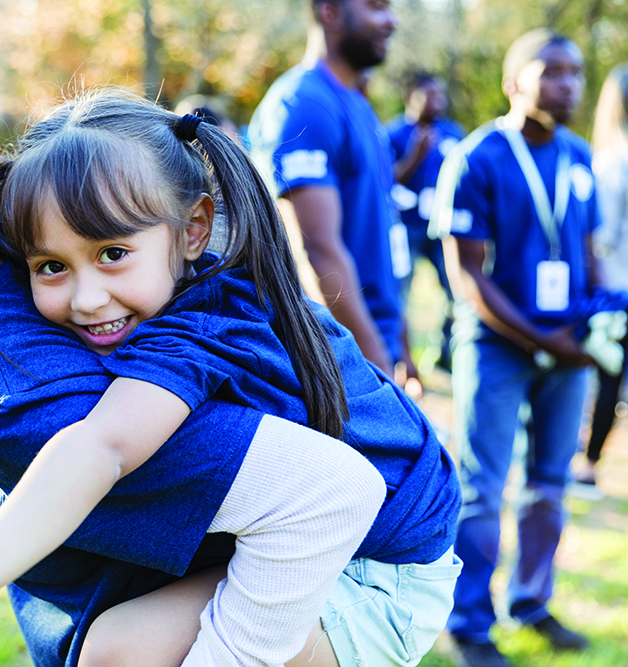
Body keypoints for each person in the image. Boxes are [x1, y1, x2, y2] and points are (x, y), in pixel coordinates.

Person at [0, 25, 458, 667]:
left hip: (376, 552)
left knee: (118, 652)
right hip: (382, 506)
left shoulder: (23, 390)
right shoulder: (40, 226)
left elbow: (323, 490)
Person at [431, 28, 597, 667]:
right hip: (498, 346)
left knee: (550, 485)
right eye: (551, 71)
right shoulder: (476, 157)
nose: (567, 84)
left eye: (576, 73)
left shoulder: (578, 155)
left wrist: (597, 321)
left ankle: (530, 601)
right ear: (513, 81)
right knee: (482, 486)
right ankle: (469, 623)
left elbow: (586, 253)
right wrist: (539, 337)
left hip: (568, 347)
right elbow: (465, 275)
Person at [248, 0, 415, 384]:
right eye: (376, 6)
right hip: (343, 360)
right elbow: (317, 249)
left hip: (375, 342)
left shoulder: (356, 102)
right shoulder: (305, 105)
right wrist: (375, 369)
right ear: (330, 12)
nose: (392, 20)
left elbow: (378, 232)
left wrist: (399, 343)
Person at [386, 71, 466, 371]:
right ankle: (399, 359)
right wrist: (414, 156)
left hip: (442, 227)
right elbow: (386, 182)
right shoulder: (392, 134)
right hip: (406, 228)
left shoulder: (454, 133)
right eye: (429, 95)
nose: (438, 102)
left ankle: (444, 352)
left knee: (456, 289)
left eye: (441, 95)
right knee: (401, 293)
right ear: (411, 97)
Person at [573, 63, 628, 491]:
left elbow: (601, 237)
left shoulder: (612, 163)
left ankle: (588, 467)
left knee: (605, 376)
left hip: (615, 290)